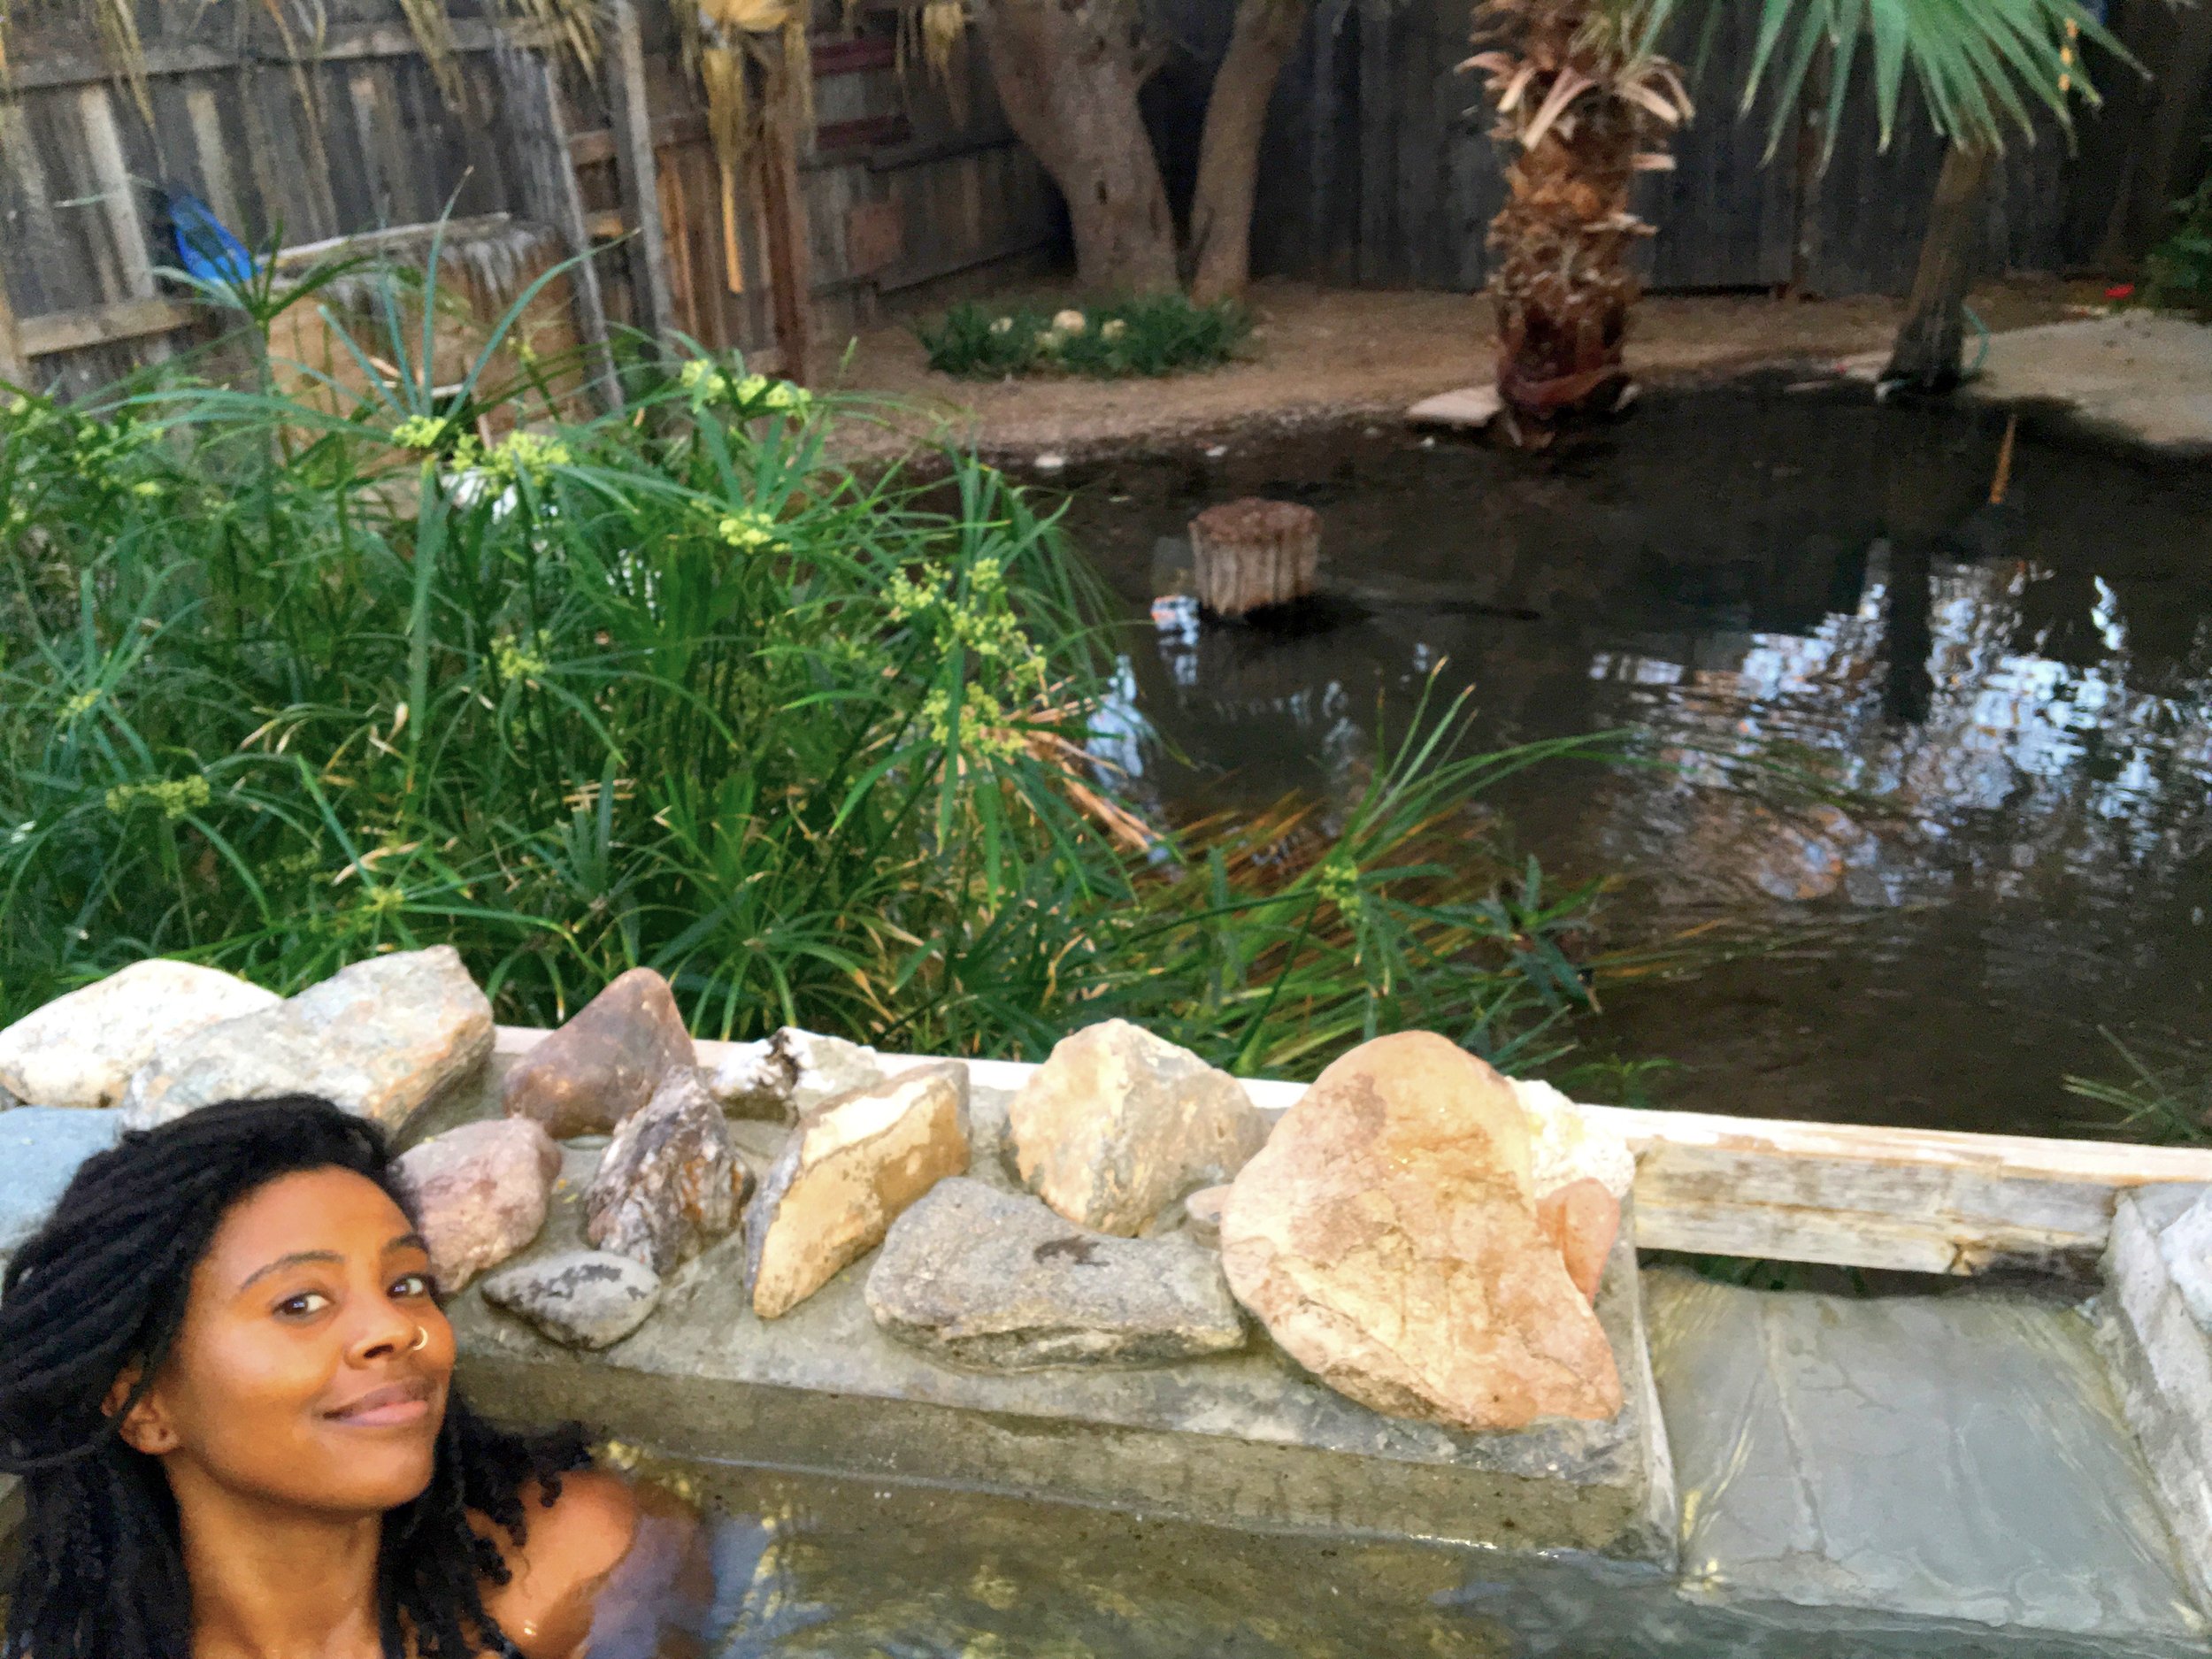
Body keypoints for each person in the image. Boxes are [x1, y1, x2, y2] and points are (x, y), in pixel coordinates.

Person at [0, 1094, 669, 1659]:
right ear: (141, 1404)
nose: (396, 1327)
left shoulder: (581, 1559)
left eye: (407, 1283)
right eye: (301, 1303)